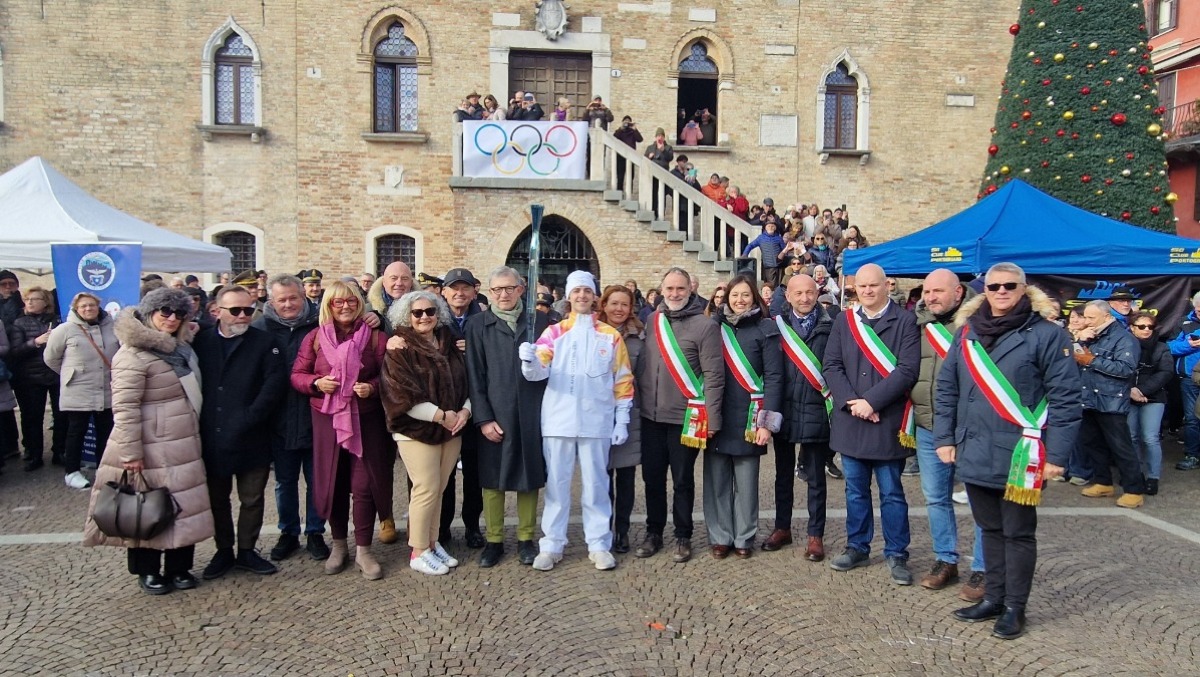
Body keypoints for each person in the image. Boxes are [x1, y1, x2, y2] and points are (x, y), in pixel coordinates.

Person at [935, 262, 1083, 640]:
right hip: (973, 446)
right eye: (994, 286)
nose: (1001, 292)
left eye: (1009, 286)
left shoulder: (1048, 334)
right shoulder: (967, 331)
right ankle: (993, 598)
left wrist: (1058, 456)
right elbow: (947, 389)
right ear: (984, 290)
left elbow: (1066, 399)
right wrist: (944, 438)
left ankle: (1015, 607)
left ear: (1024, 288)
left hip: (1021, 452)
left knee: (1017, 534)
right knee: (989, 529)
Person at [82, 289, 214, 595]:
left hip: (183, 441)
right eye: (164, 312)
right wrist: (131, 453)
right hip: (149, 443)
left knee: (183, 506)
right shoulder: (132, 354)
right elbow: (125, 408)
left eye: (179, 313)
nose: (171, 319)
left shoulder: (181, 347)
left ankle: (179, 567)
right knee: (144, 505)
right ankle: (147, 569)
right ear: (149, 313)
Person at [520, 271, 634, 571]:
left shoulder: (610, 335)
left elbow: (623, 379)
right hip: (558, 420)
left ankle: (599, 544)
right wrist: (529, 361)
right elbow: (538, 372)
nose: (582, 295)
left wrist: (622, 419)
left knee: (596, 486)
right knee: (557, 486)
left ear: (594, 296)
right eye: (576, 291)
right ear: (568, 296)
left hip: (597, 421)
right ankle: (552, 544)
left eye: (587, 291)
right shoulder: (554, 333)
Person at [823, 263, 920, 585]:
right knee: (855, 492)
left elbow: (907, 370)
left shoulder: (905, 321)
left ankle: (897, 552)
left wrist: (871, 402)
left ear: (887, 285)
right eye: (861, 286)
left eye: (873, 285)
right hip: (852, 420)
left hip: (886, 421)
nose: (866, 291)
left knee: (891, 492)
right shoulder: (844, 321)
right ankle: (857, 546)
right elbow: (831, 365)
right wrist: (853, 402)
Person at [291, 281, 391, 580]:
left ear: (360, 304)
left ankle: (364, 549)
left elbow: (390, 375)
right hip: (327, 421)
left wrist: (371, 387)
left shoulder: (375, 337)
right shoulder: (315, 338)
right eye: (338, 302)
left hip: (366, 421)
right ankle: (338, 545)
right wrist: (316, 383)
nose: (345, 306)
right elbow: (297, 374)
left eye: (351, 301)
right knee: (334, 483)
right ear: (329, 306)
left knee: (364, 486)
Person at [193, 285, 288, 580]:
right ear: (217, 312)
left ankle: (247, 549)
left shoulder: (265, 342)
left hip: (252, 434)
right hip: (213, 434)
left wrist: (250, 417)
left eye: (249, 310)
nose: (243, 316)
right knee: (217, 499)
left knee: (252, 498)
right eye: (235, 310)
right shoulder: (201, 341)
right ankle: (223, 550)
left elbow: (273, 384)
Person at [636, 267, 724, 563]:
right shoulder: (653, 320)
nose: (674, 294)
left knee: (683, 480)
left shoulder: (705, 326)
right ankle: (653, 532)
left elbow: (714, 375)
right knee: (652, 479)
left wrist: (713, 419)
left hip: (686, 418)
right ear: (662, 290)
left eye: (680, 289)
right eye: (670, 288)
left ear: (690, 290)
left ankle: (683, 535)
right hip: (650, 417)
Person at [381, 290, 471, 575]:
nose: (424, 317)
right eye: (417, 313)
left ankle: (432, 543)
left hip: (452, 427)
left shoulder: (448, 343)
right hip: (417, 430)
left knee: (439, 490)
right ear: (407, 316)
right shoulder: (400, 348)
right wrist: (441, 416)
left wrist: (465, 411)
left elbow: (465, 382)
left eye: (430, 311)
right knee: (425, 489)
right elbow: (401, 394)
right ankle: (418, 550)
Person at [465, 267, 550, 567]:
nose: (503, 294)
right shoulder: (478, 325)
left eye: (509, 288)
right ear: (489, 292)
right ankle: (495, 540)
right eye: (497, 289)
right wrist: (483, 418)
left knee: (529, 476)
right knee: (493, 479)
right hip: (495, 412)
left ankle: (526, 538)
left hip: (531, 412)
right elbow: (475, 374)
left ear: (521, 289)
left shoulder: (540, 322)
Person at [910, 269, 987, 600]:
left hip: (971, 428)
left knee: (981, 500)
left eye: (938, 291)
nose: (931, 298)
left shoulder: (979, 324)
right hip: (929, 425)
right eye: (927, 292)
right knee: (935, 497)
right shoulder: (918, 324)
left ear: (958, 292)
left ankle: (983, 567)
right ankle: (946, 559)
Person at [705, 275, 782, 560]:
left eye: (745, 295)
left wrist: (767, 424)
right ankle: (720, 536)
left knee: (747, 484)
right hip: (718, 415)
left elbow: (774, 377)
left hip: (750, 417)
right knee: (717, 482)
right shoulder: (713, 327)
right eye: (735, 295)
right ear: (726, 298)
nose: (740, 300)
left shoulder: (766, 328)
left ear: (755, 298)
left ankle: (744, 537)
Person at [253, 275, 330, 562]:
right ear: (271, 301)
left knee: (316, 480)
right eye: (281, 300)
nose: (288, 304)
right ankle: (288, 532)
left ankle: (315, 531)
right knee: (284, 482)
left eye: (293, 298)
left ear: (303, 296)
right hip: (278, 420)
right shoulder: (260, 329)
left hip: (314, 416)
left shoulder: (320, 325)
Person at [766, 274, 835, 560]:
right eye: (799, 293)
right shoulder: (775, 326)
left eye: (810, 292)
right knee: (782, 476)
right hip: (784, 409)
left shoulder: (831, 326)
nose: (805, 298)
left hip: (816, 409)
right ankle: (782, 527)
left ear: (817, 293)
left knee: (816, 478)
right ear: (788, 295)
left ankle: (815, 535)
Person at [43, 292, 119, 490]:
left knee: (106, 431)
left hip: (106, 387)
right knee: (76, 431)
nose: (88, 309)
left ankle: (104, 471)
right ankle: (72, 472)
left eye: (91, 305)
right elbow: (51, 358)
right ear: (76, 309)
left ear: (98, 307)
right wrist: (70, 374)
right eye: (83, 306)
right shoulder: (65, 329)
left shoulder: (112, 327)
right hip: (78, 389)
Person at [1074, 300, 1146, 507]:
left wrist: (1092, 361)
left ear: (1106, 316)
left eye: (1091, 317)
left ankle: (1134, 490)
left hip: (1111, 400)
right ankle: (1103, 482)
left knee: (1120, 446)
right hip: (1088, 397)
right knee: (1093, 443)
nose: (1086, 321)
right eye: (1085, 317)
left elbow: (1126, 369)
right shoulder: (1091, 335)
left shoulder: (1124, 338)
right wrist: (1078, 341)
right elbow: (1075, 358)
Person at [437, 268, 486, 547]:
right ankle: (442, 527)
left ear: (474, 291)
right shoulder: (434, 318)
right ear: (444, 292)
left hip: (474, 405)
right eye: (454, 288)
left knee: (474, 472)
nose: (459, 293)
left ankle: (472, 526)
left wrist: (475, 348)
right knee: (444, 473)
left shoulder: (483, 320)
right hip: (446, 408)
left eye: (465, 287)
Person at [597, 285, 644, 554]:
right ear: (604, 305)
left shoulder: (639, 337)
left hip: (629, 415)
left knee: (625, 480)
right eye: (614, 303)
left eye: (624, 304)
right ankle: (603, 530)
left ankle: (622, 531)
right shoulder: (593, 332)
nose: (619, 309)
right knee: (601, 479)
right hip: (598, 415)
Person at [7, 286, 65, 471]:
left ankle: (59, 452)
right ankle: (34, 454)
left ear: (45, 302)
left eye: (35, 299)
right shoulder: (19, 323)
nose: (30, 302)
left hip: (55, 374)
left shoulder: (58, 321)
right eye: (27, 299)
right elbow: (14, 352)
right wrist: (35, 342)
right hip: (29, 377)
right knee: (32, 418)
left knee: (61, 416)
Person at [1129, 311, 1170, 496]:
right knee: (1131, 437)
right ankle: (1136, 474)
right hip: (1128, 396)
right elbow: (1120, 369)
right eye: (1142, 326)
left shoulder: (1161, 347)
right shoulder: (1124, 345)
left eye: (1150, 326)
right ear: (1132, 328)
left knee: (1150, 438)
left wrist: (1142, 390)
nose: (1146, 330)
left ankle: (1153, 477)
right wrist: (1131, 390)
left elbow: (1165, 372)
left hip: (1153, 397)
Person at [1168, 290, 1200, 471]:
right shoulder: (1184, 322)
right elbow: (1170, 347)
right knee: (1192, 418)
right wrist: (1189, 345)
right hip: (1189, 379)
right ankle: (1192, 455)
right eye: (1199, 310)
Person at [367, 261, 415, 331]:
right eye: (393, 278)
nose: (399, 283)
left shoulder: (424, 310)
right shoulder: (367, 310)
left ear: (411, 283)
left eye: (404, 279)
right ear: (384, 282)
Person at [743, 221, 786, 286]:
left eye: (772, 226)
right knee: (771, 284)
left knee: (779, 284)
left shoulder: (779, 238)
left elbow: (784, 249)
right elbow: (750, 245)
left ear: (775, 228)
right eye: (769, 226)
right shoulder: (761, 238)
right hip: (768, 266)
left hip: (779, 265)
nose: (770, 228)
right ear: (765, 228)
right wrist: (745, 254)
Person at [613, 116, 643, 188]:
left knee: (630, 177)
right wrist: (621, 128)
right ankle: (619, 191)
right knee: (620, 177)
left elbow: (640, 139)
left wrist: (635, 129)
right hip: (620, 157)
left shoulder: (632, 132)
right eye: (625, 121)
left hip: (631, 157)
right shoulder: (620, 131)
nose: (627, 123)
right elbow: (614, 137)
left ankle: (629, 192)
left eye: (628, 122)